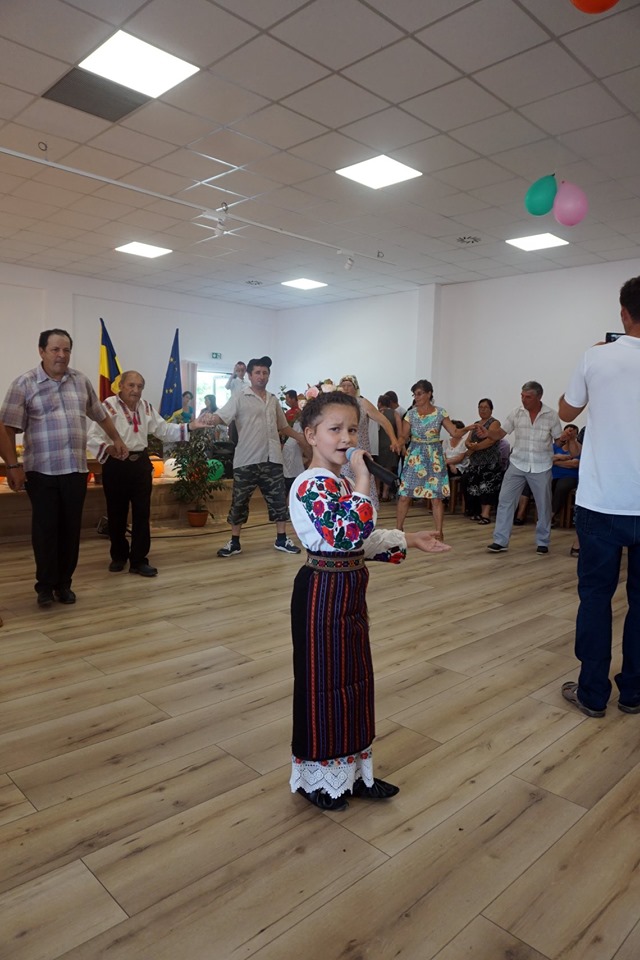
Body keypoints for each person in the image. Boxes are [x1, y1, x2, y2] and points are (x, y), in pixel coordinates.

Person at [289, 391, 451, 811]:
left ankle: (355, 775)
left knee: (355, 681)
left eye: (352, 429)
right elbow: (347, 534)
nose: (346, 438)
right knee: (323, 685)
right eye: (335, 429)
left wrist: (409, 538)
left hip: (349, 591)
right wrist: (363, 477)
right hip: (321, 594)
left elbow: (362, 539)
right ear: (311, 435)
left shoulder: (342, 482)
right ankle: (319, 780)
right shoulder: (310, 484)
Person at [558, 277, 640, 718]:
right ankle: (633, 692)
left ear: (623, 313)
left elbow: (566, 411)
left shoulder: (597, 356)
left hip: (603, 501)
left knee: (595, 597)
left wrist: (594, 359)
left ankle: (592, 693)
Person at [0, 329, 128, 607]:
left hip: (75, 470)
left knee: (71, 530)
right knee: (46, 530)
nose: (61, 355)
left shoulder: (80, 381)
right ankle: (45, 587)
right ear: (41, 351)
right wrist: (12, 466)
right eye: (55, 349)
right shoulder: (24, 383)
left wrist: (116, 439)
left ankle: (64, 584)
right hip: (41, 471)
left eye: (66, 350)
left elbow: (100, 414)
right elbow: (6, 428)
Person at [87, 370, 207, 577]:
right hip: (116, 464)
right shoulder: (108, 406)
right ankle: (118, 556)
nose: (135, 390)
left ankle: (139, 560)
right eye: (131, 385)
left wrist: (190, 426)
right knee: (116, 512)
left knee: (142, 513)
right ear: (121, 386)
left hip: (140, 464)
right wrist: (109, 449)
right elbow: (92, 436)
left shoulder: (146, 407)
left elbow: (164, 430)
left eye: (139, 386)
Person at [200, 356, 306, 557]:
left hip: (273, 459)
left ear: (269, 375)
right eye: (257, 372)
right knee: (239, 502)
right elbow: (222, 416)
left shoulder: (273, 400)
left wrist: (300, 437)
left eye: (265, 373)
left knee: (278, 501)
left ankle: (281, 539)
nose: (261, 376)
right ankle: (234, 542)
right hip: (246, 459)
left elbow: (283, 426)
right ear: (249, 375)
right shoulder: (240, 397)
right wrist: (209, 419)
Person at [481, 381, 561, 555]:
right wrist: (488, 433)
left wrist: (565, 439)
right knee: (505, 501)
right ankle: (500, 540)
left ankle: (543, 541)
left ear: (539, 397)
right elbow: (500, 433)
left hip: (541, 465)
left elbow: (558, 440)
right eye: (522, 396)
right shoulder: (516, 413)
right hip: (517, 463)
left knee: (543, 505)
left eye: (528, 397)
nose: (524, 400)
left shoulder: (551, 416)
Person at [396, 379, 472, 540]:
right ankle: (398, 530)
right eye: (414, 394)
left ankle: (439, 532)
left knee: (436, 498)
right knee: (404, 495)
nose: (416, 397)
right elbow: (404, 436)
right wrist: (398, 443)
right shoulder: (410, 414)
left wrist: (468, 428)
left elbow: (454, 432)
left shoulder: (440, 413)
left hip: (434, 457)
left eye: (419, 394)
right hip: (415, 456)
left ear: (429, 394)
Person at [337, 375, 402, 508]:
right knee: (343, 485)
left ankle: (367, 511)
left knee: (363, 479)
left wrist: (393, 440)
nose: (346, 388)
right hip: (342, 452)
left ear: (356, 388)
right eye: (343, 386)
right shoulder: (336, 405)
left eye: (349, 385)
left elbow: (384, 421)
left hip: (360, 451)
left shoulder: (363, 403)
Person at [464, 398, 503, 525]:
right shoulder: (476, 424)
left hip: (490, 462)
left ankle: (485, 514)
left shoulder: (494, 423)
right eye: (480, 407)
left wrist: (475, 447)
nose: (483, 410)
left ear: (491, 409)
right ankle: (476, 512)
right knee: (474, 487)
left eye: (486, 407)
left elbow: (491, 440)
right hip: (475, 462)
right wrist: (469, 445)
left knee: (487, 488)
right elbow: (468, 440)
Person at [551, 424, 581, 525]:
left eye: (572, 433)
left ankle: (551, 515)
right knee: (545, 485)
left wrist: (556, 461)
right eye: (567, 432)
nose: (569, 435)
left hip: (570, 476)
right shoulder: (555, 446)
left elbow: (575, 464)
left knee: (561, 487)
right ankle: (544, 513)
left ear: (576, 435)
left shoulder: (579, 448)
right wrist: (561, 458)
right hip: (553, 475)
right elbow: (546, 459)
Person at [375, 394, 401, 501]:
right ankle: (385, 493)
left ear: (379, 403)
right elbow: (399, 430)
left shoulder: (376, 414)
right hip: (391, 444)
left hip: (377, 444)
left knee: (377, 469)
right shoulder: (395, 413)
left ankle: (377, 491)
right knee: (388, 469)